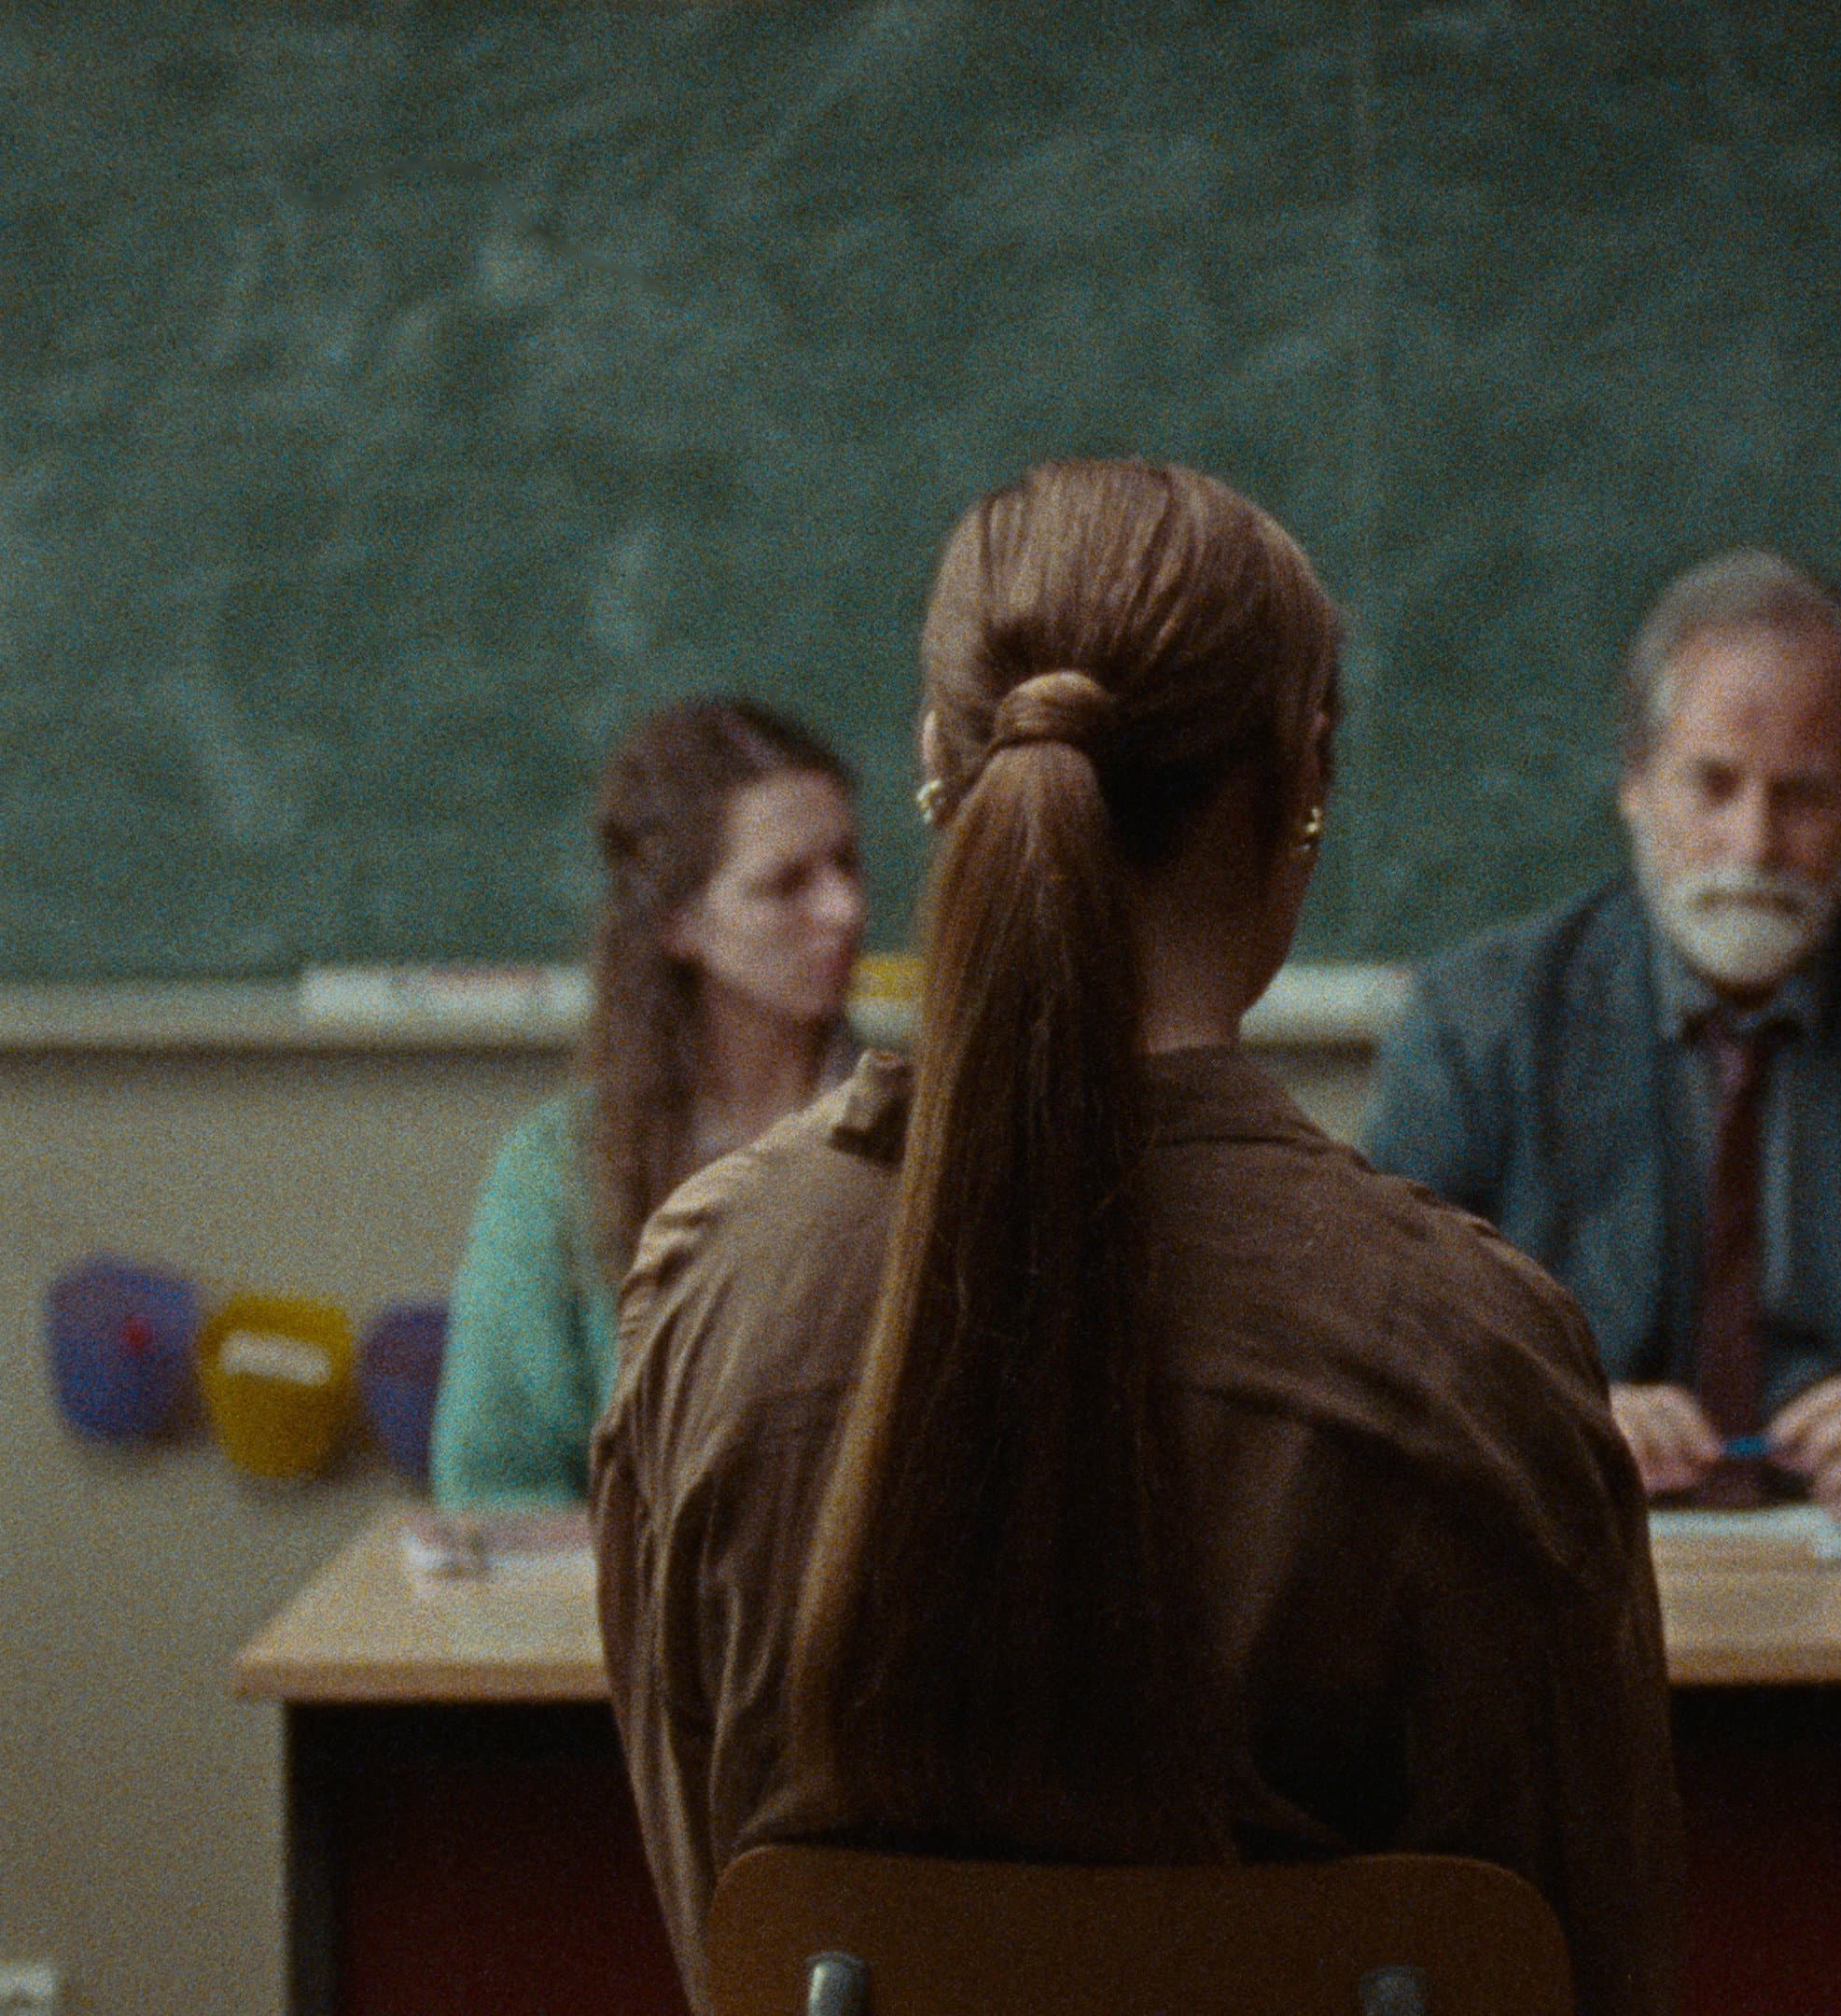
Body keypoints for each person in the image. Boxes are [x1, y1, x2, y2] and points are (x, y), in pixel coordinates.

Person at [592, 460, 1680, 2016]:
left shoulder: (714, 1291)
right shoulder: (1473, 1356)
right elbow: (1592, 1967)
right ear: (1305, 782)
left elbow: (724, 1933)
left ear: (937, 769)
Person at [1364, 549, 1841, 1534]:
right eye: (1714, 784)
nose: (1755, 845)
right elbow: (1381, 1353)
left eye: (1803, 796)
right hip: (1567, 1577)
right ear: (1635, 781)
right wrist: (1550, 1423)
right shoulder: (1478, 1026)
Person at [429, 698, 865, 1507]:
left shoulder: (927, 1135)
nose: (844, 909)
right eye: (786, 884)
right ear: (678, 923)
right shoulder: (560, 1170)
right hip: (625, 1592)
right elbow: (494, 1484)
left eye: (847, 864)